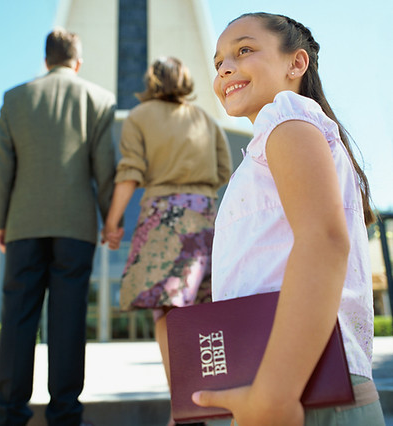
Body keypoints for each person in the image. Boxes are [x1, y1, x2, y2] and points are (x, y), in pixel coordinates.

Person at [191, 12, 385, 426]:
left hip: (300, 388)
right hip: (278, 384)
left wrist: (276, 391)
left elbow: (324, 242)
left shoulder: (287, 119)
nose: (225, 67)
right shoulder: (271, 139)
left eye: (244, 50)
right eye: (218, 61)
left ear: (296, 64)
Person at [0, 28, 116, 426]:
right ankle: (65, 414)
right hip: (76, 227)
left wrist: (1, 222)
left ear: (46, 60)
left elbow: (3, 168)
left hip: (23, 224)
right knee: (67, 320)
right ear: (77, 62)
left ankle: (11, 414)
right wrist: (109, 219)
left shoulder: (15, 98)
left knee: (17, 318)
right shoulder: (98, 99)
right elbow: (104, 169)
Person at [102, 56, 232, 426]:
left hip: (164, 218)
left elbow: (130, 170)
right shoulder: (205, 119)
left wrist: (112, 223)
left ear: (152, 81)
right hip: (207, 217)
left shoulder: (140, 117)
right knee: (206, 315)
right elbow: (224, 170)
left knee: (169, 312)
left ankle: (184, 409)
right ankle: (209, 401)